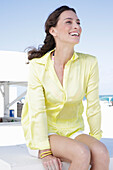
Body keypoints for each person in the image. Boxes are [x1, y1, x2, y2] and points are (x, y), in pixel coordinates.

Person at [21, 5, 110, 170]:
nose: (76, 26)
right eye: (69, 22)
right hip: (44, 133)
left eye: (78, 22)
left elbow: (93, 106)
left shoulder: (90, 63)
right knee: (81, 153)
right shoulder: (38, 66)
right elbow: (36, 110)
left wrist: (95, 139)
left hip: (73, 130)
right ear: (53, 31)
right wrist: (45, 151)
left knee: (102, 152)